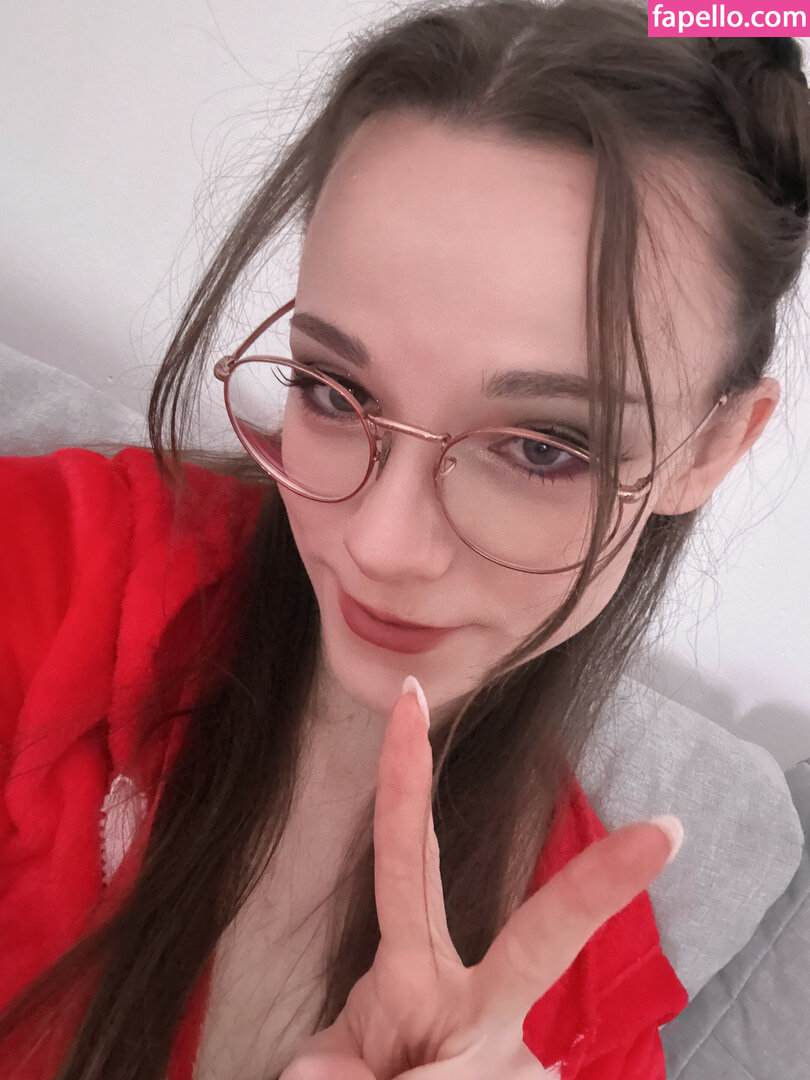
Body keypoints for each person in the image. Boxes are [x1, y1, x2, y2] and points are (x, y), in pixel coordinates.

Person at [1, 0, 808, 1077]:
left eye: (540, 448)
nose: (378, 544)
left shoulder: (580, 1003)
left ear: (710, 449)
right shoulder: (55, 569)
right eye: (330, 390)